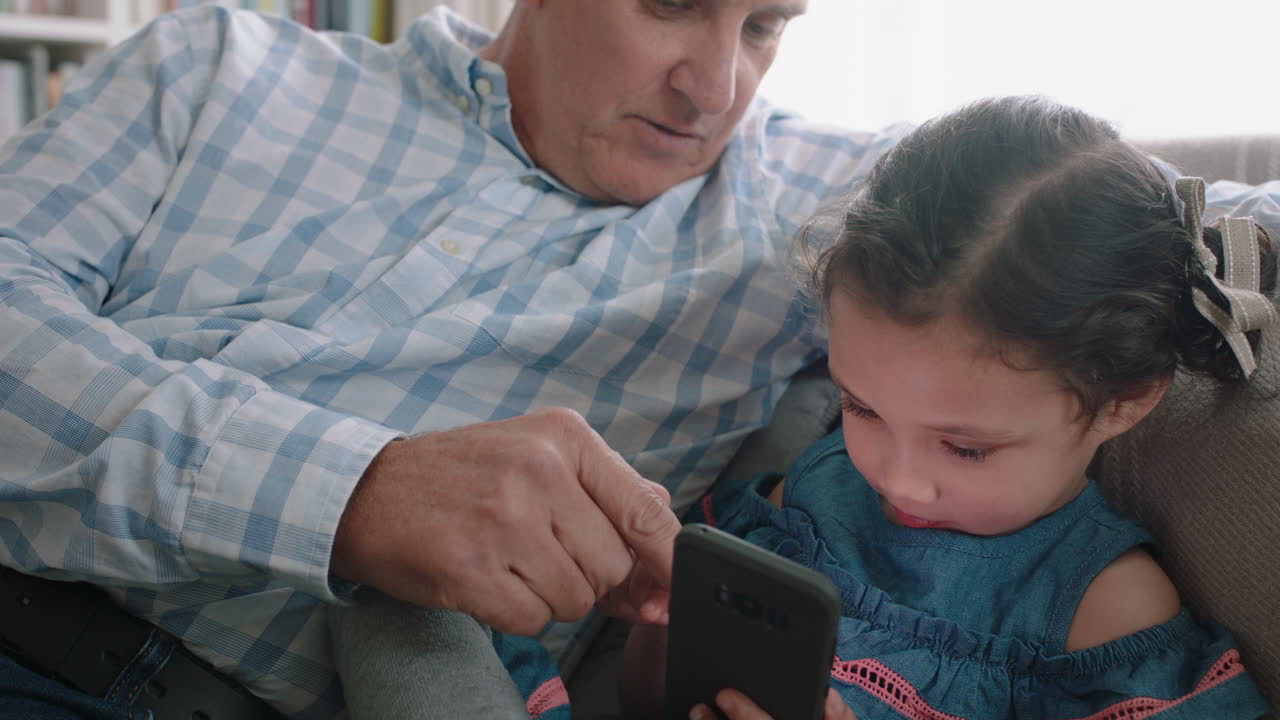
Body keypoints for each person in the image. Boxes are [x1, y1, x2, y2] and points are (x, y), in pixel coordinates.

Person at [0, 0, 921, 717]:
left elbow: (1054, 218)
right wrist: (351, 493)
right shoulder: (211, 65)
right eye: (670, 4)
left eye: (765, 26)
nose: (717, 86)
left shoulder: (815, 202)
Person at [619, 96, 1276, 720]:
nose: (896, 477)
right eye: (861, 406)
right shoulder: (816, 490)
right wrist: (665, 624)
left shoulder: (1102, 612)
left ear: (1126, 401)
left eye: (967, 448)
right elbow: (645, 700)